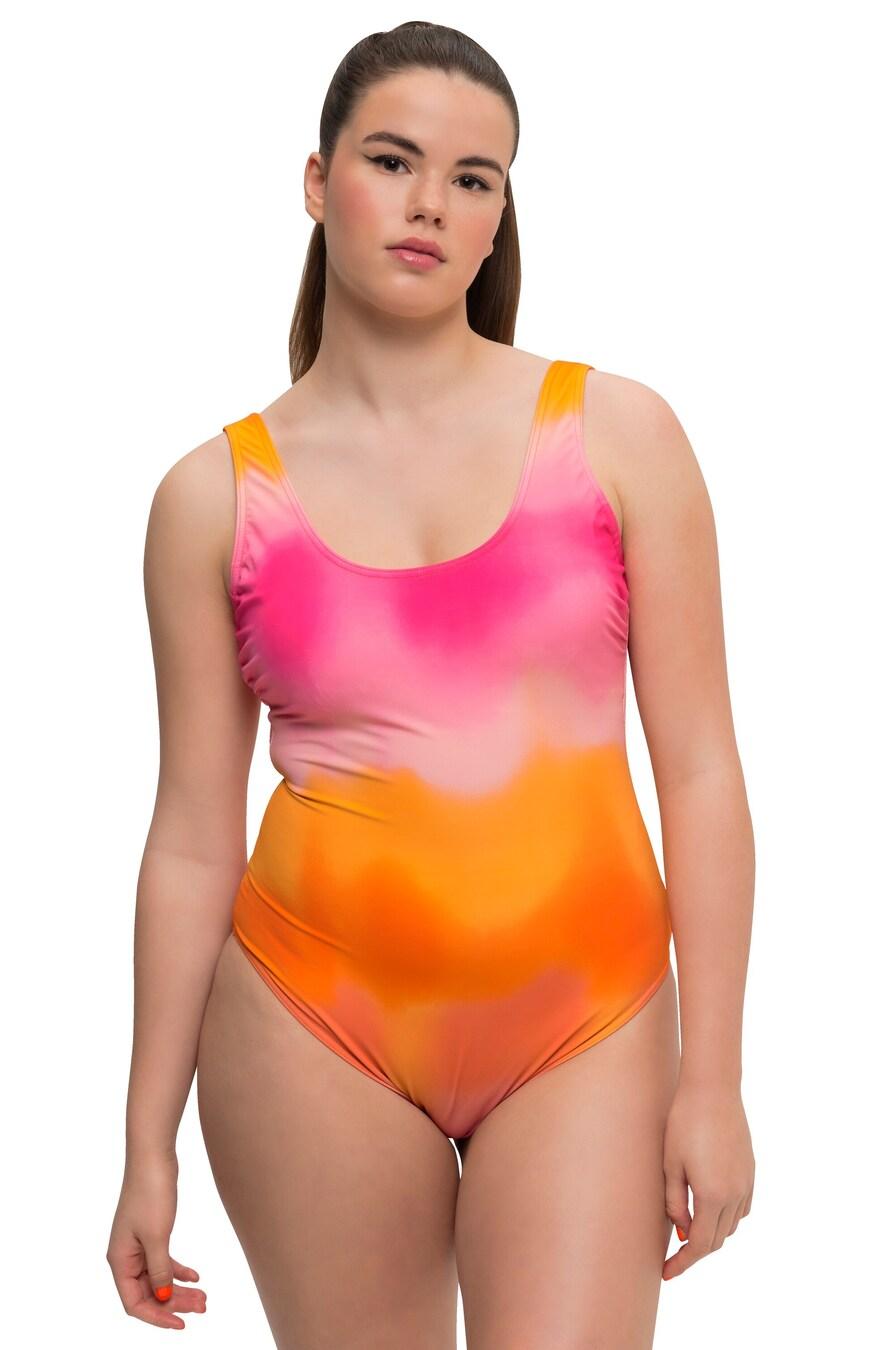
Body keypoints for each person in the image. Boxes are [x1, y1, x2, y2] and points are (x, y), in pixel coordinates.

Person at [106, 20, 756, 1348]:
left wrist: (718, 1080)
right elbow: (189, 836)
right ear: (317, 180)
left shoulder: (619, 434)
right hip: (308, 1024)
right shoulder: (210, 498)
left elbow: (700, 769)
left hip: (587, 1019)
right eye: (392, 161)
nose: (431, 205)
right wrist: (144, 1143)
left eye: (473, 178)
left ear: (501, 211)